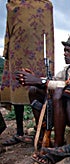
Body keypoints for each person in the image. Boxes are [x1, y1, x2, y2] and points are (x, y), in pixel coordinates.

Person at [16, 35, 70, 164]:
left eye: (69, 51)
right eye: (64, 50)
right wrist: (33, 79)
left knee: (59, 92)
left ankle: (59, 144)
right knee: (33, 90)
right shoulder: (68, 69)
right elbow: (54, 80)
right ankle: (42, 132)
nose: (65, 54)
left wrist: (41, 81)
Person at [1, 0, 54, 146]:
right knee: (18, 88)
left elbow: (49, 33)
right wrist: (6, 51)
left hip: (36, 53)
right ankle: (20, 132)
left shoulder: (45, 5)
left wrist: (49, 57)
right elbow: (8, 28)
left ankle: (40, 131)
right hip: (18, 52)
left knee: (35, 88)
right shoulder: (14, 4)